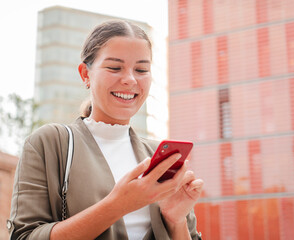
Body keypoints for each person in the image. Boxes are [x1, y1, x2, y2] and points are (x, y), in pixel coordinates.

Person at [8, 20, 204, 240]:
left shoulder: (157, 156)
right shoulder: (51, 143)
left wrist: (175, 220)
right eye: (114, 67)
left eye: (141, 69)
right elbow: (24, 236)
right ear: (85, 74)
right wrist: (118, 205)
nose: (130, 79)